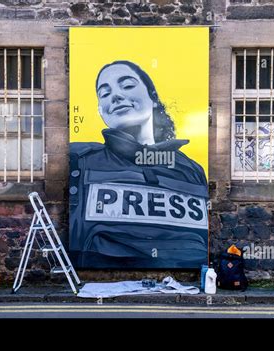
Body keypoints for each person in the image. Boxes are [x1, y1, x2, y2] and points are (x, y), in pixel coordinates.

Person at [69, 60, 208, 269]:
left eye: (127, 85)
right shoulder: (79, 158)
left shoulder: (191, 169)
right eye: (104, 93)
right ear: (100, 110)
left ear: (153, 98)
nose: (115, 96)